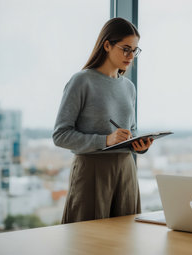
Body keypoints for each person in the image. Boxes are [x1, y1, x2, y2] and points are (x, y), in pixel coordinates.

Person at [53, 17, 152, 224]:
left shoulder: (129, 87)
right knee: (88, 241)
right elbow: (60, 135)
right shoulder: (81, 81)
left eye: (135, 50)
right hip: (92, 170)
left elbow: (130, 129)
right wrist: (105, 140)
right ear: (107, 45)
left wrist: (139, 144)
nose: (131, 56)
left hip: (126, 170)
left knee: (126, 239)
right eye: (126, 49)